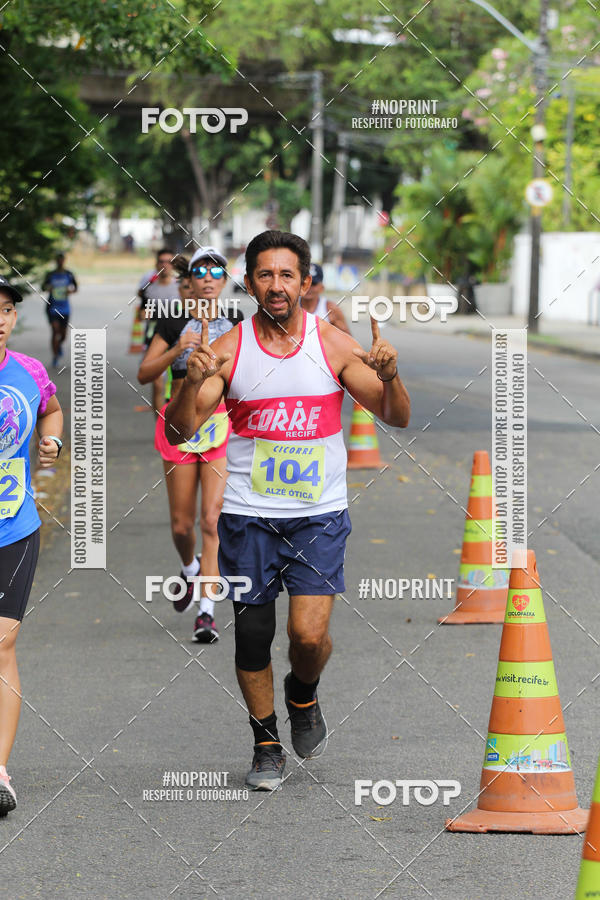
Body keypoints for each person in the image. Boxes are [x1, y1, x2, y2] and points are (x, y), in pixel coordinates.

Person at [166, 230, 410, 790]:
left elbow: (396, 416)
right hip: (248, 516)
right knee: (253, 635)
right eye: (265, 275)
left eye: (287, 275)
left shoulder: (333, 345)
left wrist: (391, 376)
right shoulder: (228, 350)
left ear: (304, 282)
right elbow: (181, 431)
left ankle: (303, 694)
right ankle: (266, 743)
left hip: (318, 515)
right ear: (250, 284)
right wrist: (190, 384)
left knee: (308, 637)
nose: (276, 285)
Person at [138, 247, 233, 643]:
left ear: (225, 281)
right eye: (201, 272)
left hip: (218, 428)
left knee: (211, 520)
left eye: (217, 272)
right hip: (177, 427)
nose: (209, 278)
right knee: (181, 526)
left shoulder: (238, 323)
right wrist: (179, 349)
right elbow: (144, 373)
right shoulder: (172, 322)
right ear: (189, 281)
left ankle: (206, 613)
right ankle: (191, 570)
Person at [0, 275, 64, 814]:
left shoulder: (29, 372)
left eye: (5, 309)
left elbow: (52, 410)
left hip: (13, 527)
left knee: (2, 643)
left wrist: (53, 439)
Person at [137, 248, 179, 416]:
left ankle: (173, 421)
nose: (165, 265)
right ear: (156, 264)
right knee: (157, 384)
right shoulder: (149, 287)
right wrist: (148, 314)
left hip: (176, 340)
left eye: (168, 262)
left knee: (177, 385)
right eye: (161, 261)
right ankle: (159, 422)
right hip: (153, 339)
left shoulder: (180, 286)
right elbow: (141, 313)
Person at [42, 252, 78, 367]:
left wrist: (70, 291)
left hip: (65, 308)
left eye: (62, 259)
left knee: (63, 335)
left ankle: (59, 346)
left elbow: (76, 288)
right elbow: (43, 287)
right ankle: (55, 356)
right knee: (55, 331)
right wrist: (48, 287)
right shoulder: (50, 274)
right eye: (58, 259)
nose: (60, 262)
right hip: (52, 307)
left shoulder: (69, 274)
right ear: (56, 261)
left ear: (64, 260)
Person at [301, 263, 351, 334]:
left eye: (313, 284)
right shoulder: (291, 306)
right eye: (305, 283)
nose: (309, 288)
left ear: (322, 287)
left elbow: (348, 338)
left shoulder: (330, 309)